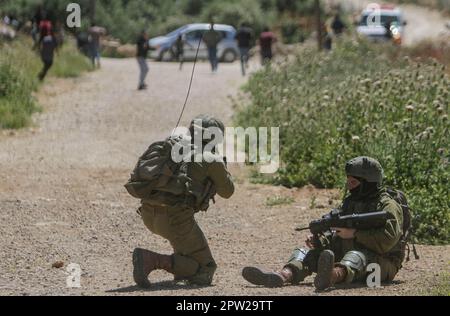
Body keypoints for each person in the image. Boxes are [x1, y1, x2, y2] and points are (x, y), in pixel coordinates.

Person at [242, 157, 406, 291]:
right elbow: (336, 230)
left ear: (368, 183)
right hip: (352, 256)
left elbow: (388, 240)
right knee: (308, 253)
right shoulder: (350, 203)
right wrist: (320, 240)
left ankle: (332, 276)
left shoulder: (388, 205)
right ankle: (283, 275)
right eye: (348, 182)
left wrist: (354, 234)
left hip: (384, 264)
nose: (349, 188)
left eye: (354, 183)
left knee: (356, 256)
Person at [132, 115, 235, 287]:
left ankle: (181, 267)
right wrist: (221, 168)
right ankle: (151, 260)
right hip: (175, 220)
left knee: (186, 246)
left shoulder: (173, 144)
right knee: (205, 269)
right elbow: (228, 192)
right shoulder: (211, 157)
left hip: (148, 213)